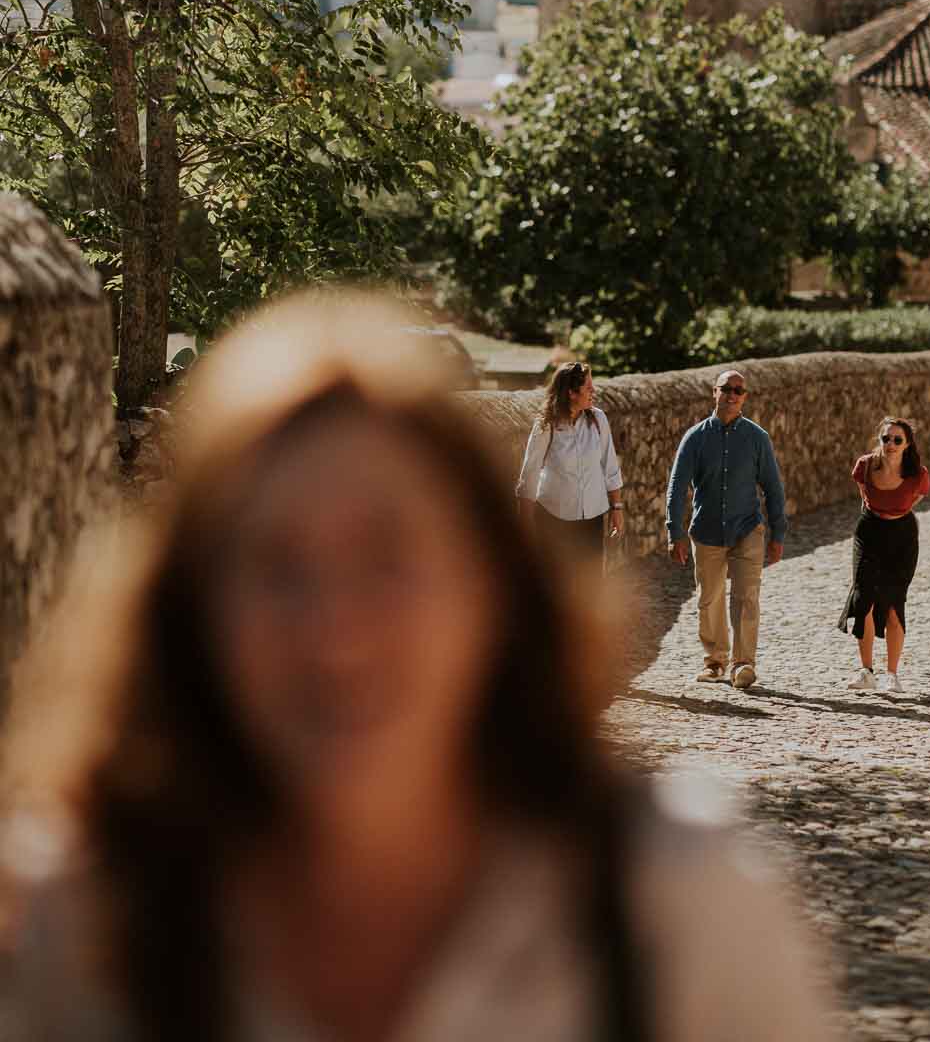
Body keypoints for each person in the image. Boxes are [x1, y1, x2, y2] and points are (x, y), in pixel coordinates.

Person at [0, 293, 839, 1042]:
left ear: (490, 590)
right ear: (188, 609)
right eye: (274, 566)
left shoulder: (678, 907)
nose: (336, 631)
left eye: (389, 557)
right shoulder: (68, 928)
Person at [665, 368, 786, 692]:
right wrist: (674, 531)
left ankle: (744, 663)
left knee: (746, 596)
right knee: (710, 598)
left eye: (738, 390)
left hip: (747, 528)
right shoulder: (695, 438)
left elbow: (773, 488)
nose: (732, 395)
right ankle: (715, 661)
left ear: (744, 397)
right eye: (726, 389)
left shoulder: (757, 438)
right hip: (705, 531)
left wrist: (778, 534)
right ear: (714, 393)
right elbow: (677, 488)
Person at [838, 415, 930, 695]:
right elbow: (865, 497)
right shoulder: (865, 466)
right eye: (886, 438)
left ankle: (892, 674)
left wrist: (895, 513)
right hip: (869, 532)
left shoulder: (917, 473)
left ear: (907, 444)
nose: (890, 444)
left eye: (897, 440)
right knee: (862, 597)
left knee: (893, 603)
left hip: (901, 538)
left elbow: (916, 498)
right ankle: (866, 671)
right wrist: (879, 516)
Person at [516, 359, 623, 564]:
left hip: (592, 518)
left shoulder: (598, 420)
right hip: (554, 518)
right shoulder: (546, 424)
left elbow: (610, 466)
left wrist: (617, 507)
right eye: (588, 387)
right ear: (571, 393)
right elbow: (529, 473)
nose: (594, 390)